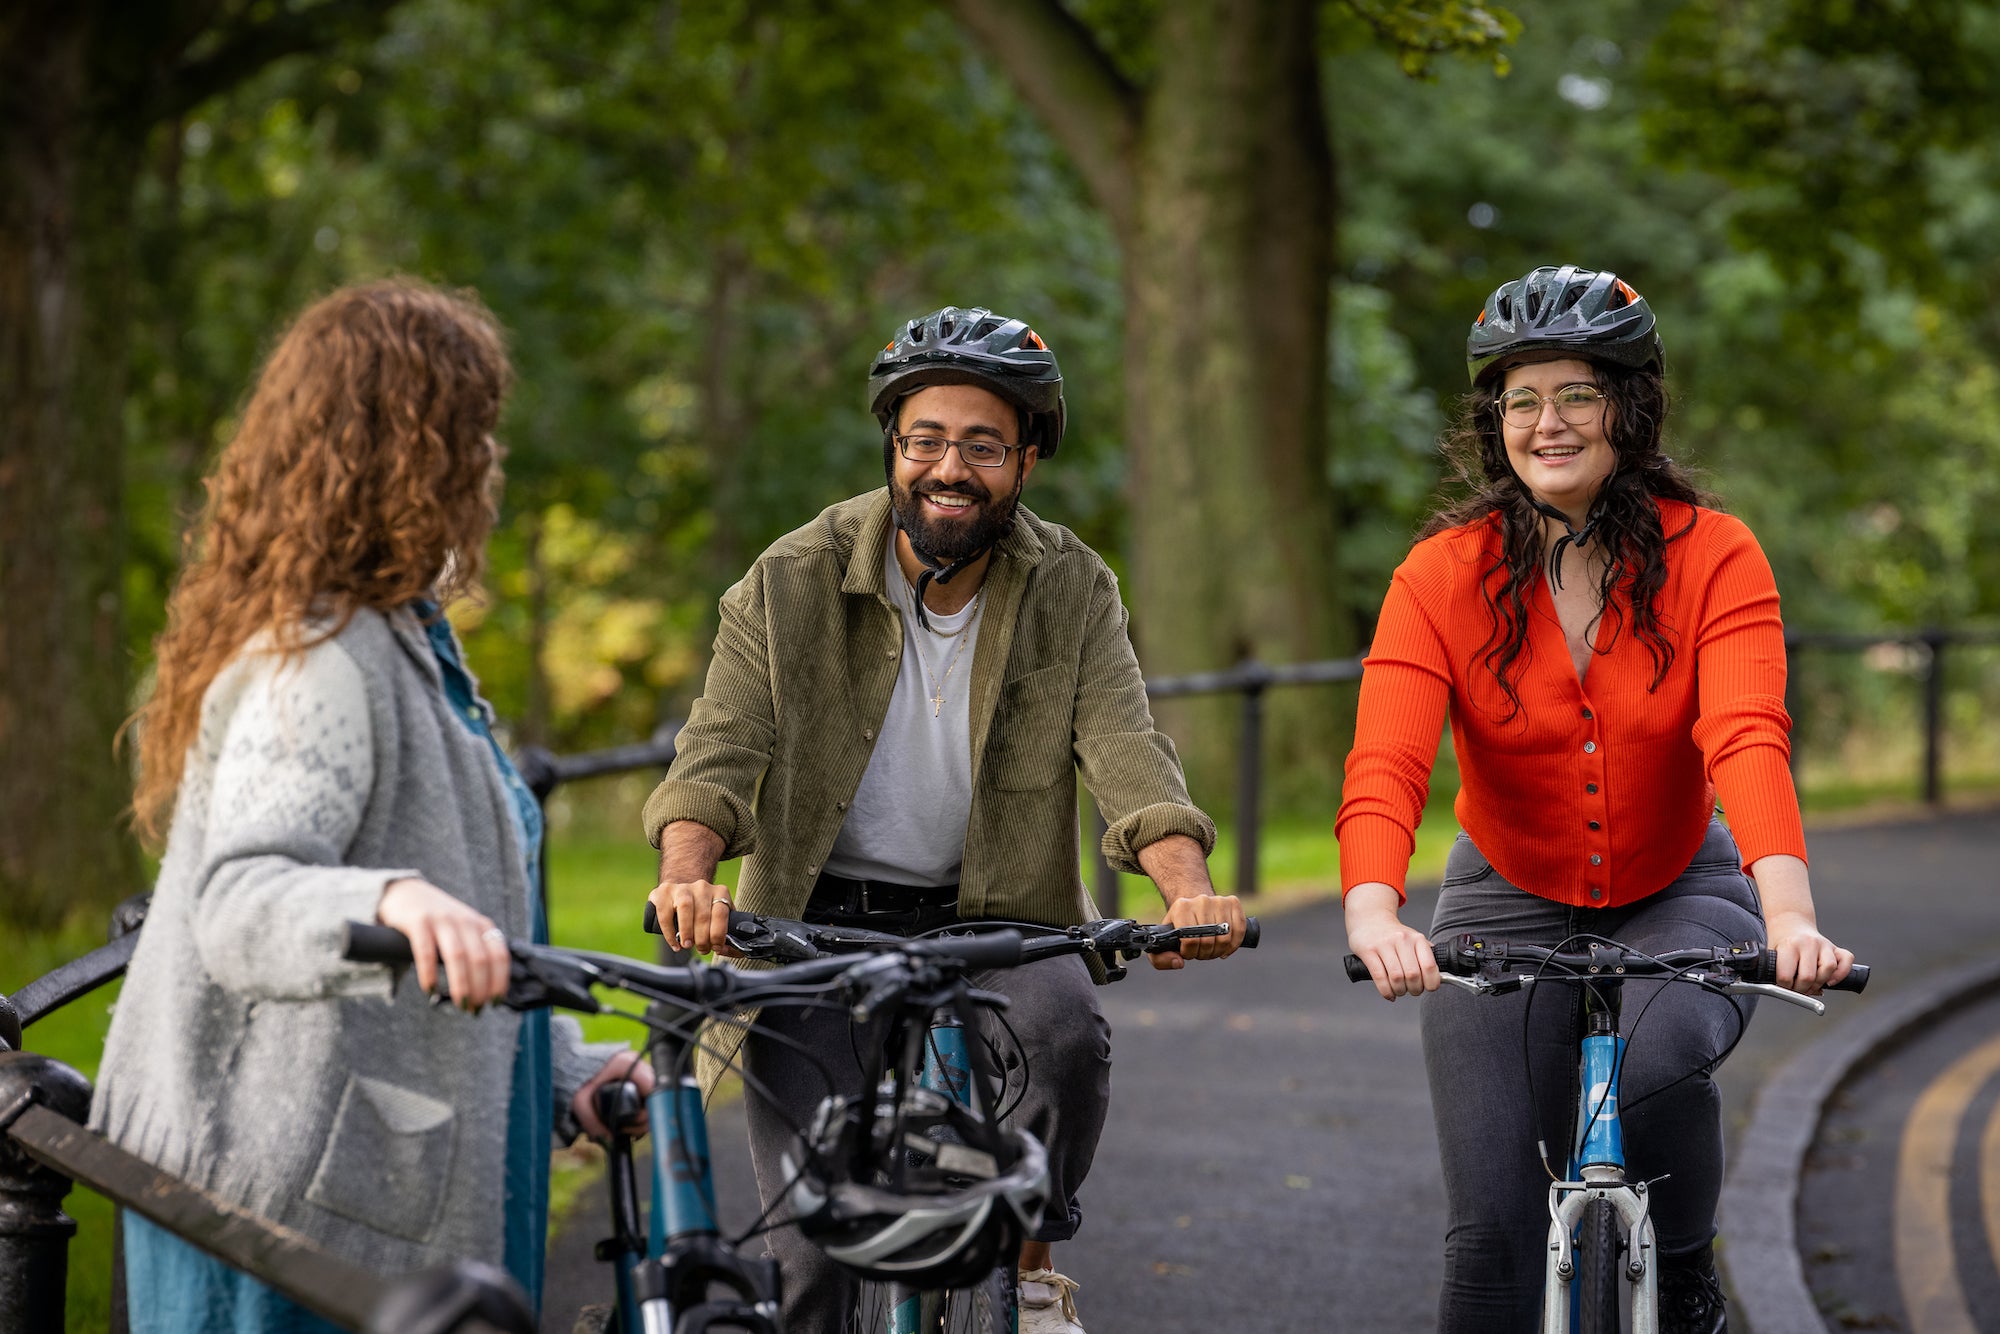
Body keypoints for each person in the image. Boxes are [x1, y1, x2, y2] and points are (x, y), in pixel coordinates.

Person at [643, 305, 1248, 1334]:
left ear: (1025, 459)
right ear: (892, 443)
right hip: (814, 918)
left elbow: (1127, 752)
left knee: (1062, 1034)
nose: (948, 467)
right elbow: (718, 749)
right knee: (809, 1261)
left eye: (981, 445)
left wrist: (1185, 889)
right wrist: (686, 871)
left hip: (996, 916)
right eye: (924, 439)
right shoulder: (789, 580)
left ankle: (1029, 1257)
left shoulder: (1071, 585)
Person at [94, 278, 647, 1333]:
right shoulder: (320, 657)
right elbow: (244, 897)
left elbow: (462, 896)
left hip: (364, 1181)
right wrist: (391, 897)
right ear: (408, 449)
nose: (489, 463)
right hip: (270, 1217)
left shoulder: (407, 638)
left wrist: (560, 1070)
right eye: (472, 433)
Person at [1337, 265, 1854, 1334]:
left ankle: (1686, 1268)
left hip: (1680, 883)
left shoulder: (1715, 553)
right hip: (1501, 894)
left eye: (1575, 394)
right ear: (1495, 423)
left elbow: (1746, 735)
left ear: (1629, 406)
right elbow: (1386, 758)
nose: (1546, 422)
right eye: (1520, 400)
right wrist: (1372, 911)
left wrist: (1789, 914)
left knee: (1659, 1069)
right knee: (1485, 1236)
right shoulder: (1436, 574)